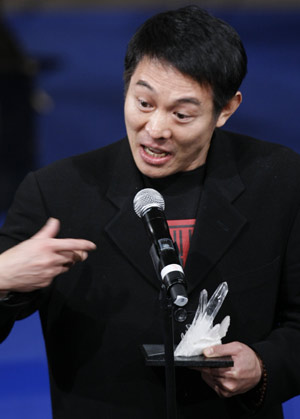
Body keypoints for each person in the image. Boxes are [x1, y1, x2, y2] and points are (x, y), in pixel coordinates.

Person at [0, 5, 299, 418]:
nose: (156, 128)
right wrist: (1, 278)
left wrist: (263, 368)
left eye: (182, 114)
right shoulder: (55, 193)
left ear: (226, 109)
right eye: (143, 102)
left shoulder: (280, 180)